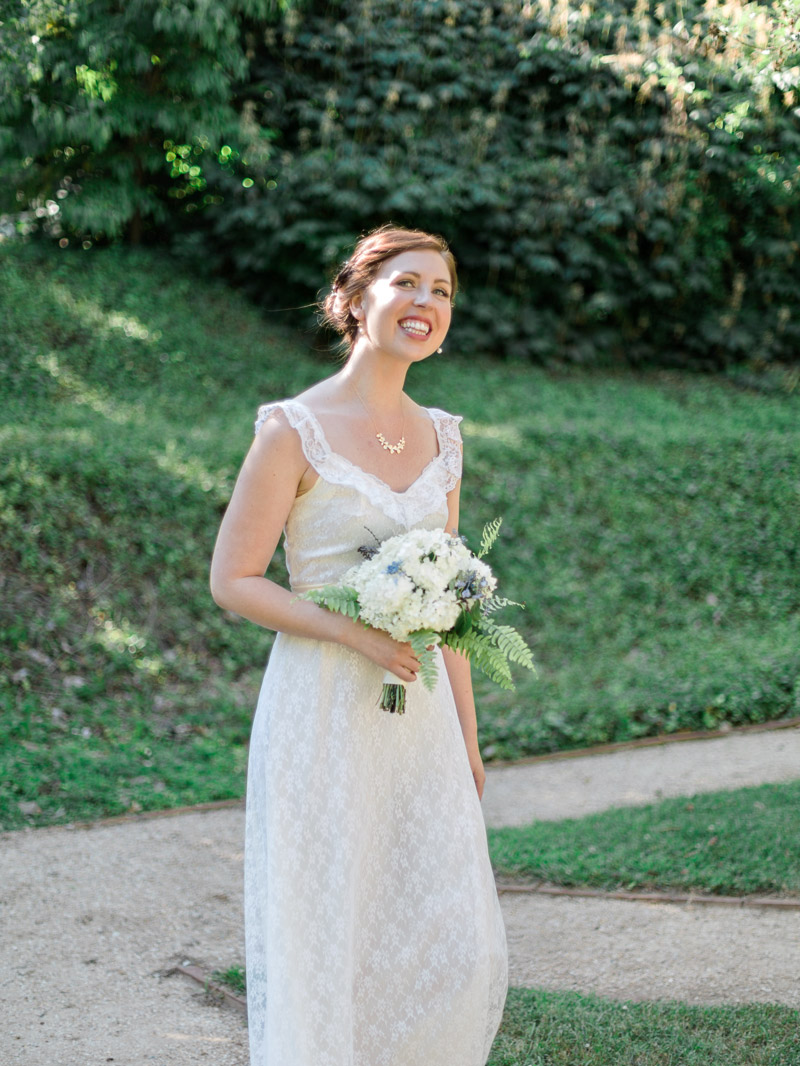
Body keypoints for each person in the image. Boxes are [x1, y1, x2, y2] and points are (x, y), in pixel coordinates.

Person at [210, 225, 507, 1066]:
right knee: (328, 923)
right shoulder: (292, 431)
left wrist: (467, 739)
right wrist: (352, 632)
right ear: (356, 298)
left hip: (419, 716)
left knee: (444, 930)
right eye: (407, 283)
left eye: (442, 291)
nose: (426, 303)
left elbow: (448, 602)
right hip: (321, 708)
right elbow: (235, 579)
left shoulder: (445, 438)